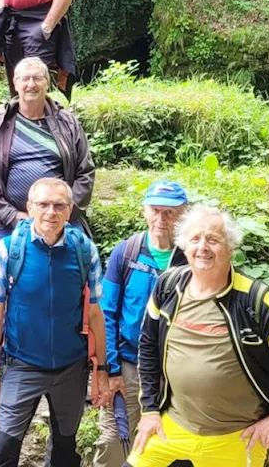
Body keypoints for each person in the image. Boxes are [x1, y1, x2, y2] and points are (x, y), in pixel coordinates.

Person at [130, 206, 269, 467]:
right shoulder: (168, 287)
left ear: (230, 249)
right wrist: (150, 411)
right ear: (184, 247)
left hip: (236, 439)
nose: (202, 247)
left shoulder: (254, 300)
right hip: (171, 430)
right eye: (195, 239)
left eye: (213, 239)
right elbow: (149, 347)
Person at [0, 178, 109, 467]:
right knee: (2, 451)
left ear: (70, 209)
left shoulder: (84, 251)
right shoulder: (8, 250)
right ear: (30, 207)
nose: (51, 211)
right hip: (22, 364)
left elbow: (96, 314)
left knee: (64, 451)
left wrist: (100, 370)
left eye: (59, 205)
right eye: (43, 204)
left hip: (71, 368)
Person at [93, 180, 189, 467]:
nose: (162, 219)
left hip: (176, 371)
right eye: (156, 211)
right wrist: (110, 370)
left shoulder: (193, 256)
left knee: (170, 447)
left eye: (170, 213)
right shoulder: (126, 252)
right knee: (113, 441)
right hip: (128, 365)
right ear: (145, 211)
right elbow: (106, 313)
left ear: (184, 215)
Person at [0, 57, 95, 249]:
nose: (31, 84)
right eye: (25, 79)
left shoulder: (67, 122)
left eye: (37, 78)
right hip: (9, 221)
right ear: (15, 83)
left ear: (47, 83)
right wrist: (11, 215)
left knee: (80, 264)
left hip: (59, 218)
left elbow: (85, 172)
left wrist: (61, 213)